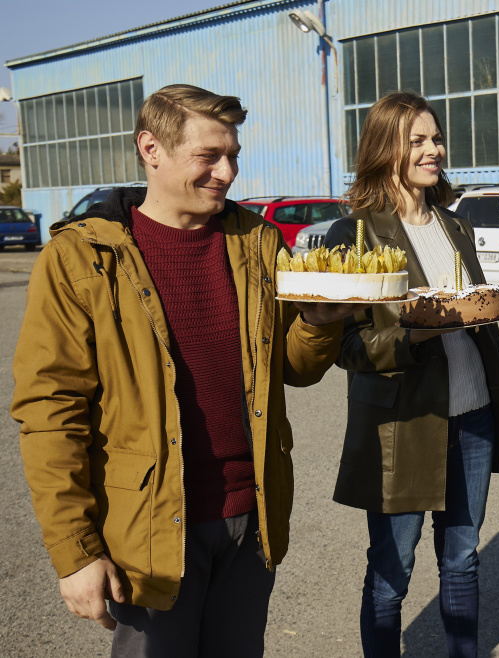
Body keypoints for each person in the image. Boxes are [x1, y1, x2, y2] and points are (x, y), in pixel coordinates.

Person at [11, 84, 354, 656]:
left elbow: (293, 369)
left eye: (234, 155)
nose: (227, 172)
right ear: (152, 149)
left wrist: (320, 322)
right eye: (209, 157)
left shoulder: (258, 243)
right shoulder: (82, 259)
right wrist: (75, 551)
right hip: (149, 530)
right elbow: (51, 413)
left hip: (251, 517)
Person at [323, 90, 499, 658]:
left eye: (435, 138)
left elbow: (472, 309)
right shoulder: (355, 235)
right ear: (384, 148)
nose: (433, 149)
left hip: (473, 416)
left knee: (462, 558)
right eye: (416, 140)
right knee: (392, 573)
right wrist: (416, 335)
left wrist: (484, 305)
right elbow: (349, 348)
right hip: (403, 424)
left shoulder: (453, 225)